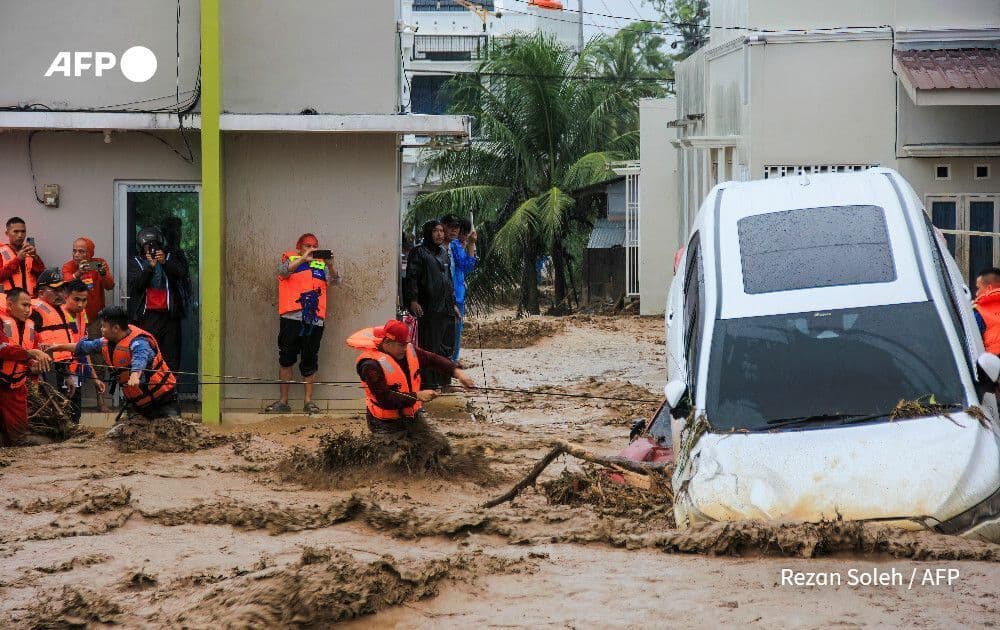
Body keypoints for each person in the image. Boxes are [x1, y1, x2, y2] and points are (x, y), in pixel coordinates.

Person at [346, 319, 473, 463]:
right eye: (401, 345)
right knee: (397, 460)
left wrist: (457, 373)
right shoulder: (370, 366)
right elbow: (385, 399)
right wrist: (417, 396)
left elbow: (433, 359)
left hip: (412, 416)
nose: (406, 348)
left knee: (440, 447)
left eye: (406, 344)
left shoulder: (408, 351)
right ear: (387, 342)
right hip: (384, 422)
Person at [46, 306, 179, 421]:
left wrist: (135, 375)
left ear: (115, 328)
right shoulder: (105, 342)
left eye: (103, 326)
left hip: (163, 401)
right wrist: (57, 347)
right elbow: (82, 347)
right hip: (138, 405)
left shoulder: (139, 342)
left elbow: (140, 358)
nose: (101, 329)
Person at [265, 233, 341, 414]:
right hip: (291, 318)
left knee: (310, 359)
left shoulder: (321, 264)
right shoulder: (290, 259)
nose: (312, 249)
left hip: (314, 320)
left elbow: (336, 281)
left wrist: (331, 265)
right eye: (308, 245)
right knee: (286, 358)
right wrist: (302, 259)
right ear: (299, 247)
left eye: (315, 246)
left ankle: (308, 402)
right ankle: (283, 402)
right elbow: (283, 272)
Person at [63, 237, 115, 411]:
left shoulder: (99, 263)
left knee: (99, 359)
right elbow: (65, 286)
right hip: (73, 319)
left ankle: (101, 401)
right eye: (74, 250)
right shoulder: (69, 266)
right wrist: (78, 273)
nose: (77, 254)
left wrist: (103, 273)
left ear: (90, 253)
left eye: (82, 251)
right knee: (72, 358)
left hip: (95, 321)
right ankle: (69, 403)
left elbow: (110, 286)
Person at [128, 226, 189, 372]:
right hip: (147, 317)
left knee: (171, 356)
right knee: (148, 353)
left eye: (154, 245)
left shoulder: (169, 258)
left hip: (169, 316)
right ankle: (148, 385)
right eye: (147, 246)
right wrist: (150, 267)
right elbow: (138, 285)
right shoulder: (135, 262)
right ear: (141, 246)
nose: (151, 249)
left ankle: (170, 384)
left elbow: (181, 274)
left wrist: (165, 263)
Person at [404, 220, 456, 387]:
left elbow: (448, 280)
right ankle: (429, 384)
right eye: (435, 231)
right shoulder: (418, 252)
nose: (440, 234)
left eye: (441, 230)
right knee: (430, 347)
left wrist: (453, 304)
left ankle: (444, 382)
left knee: (446, 347)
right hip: (429, 307)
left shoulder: (443, 253)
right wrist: (413, 300)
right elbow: (412, 277)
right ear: (428, 233)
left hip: (446, 307)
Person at [0, 288, 53, 446]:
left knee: (18, 439)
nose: (28, 310)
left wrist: (34, 366)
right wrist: (30, 353)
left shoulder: (32, 331)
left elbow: (30, 359)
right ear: (10, 305)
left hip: (16, 389)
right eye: (24, 305)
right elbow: (3, 349)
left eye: (30, 306)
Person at [441, 215, 478, 362]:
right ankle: (451, 363)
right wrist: (471, 246)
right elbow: (466, 265)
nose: (465, 236)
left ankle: (452, 362)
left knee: (455, 333)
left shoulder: (457, 245)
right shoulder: (455, 245)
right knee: (454, 334)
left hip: (458, 294)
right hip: (454, 295)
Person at [0, 217, 45, 296]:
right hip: (9, 299)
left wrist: (36, 258)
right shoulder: (1, 252)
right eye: (16, 231)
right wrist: (17, 260)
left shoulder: (30, 252)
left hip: (30, 298)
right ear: (7, 233)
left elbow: (42, 277)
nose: (20, 235)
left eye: (23, 231)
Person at [974, 267, 1000, 353]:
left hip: (992, 359)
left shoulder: (980, 314)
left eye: (978, 288)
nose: (976, 293)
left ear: (989, 288)